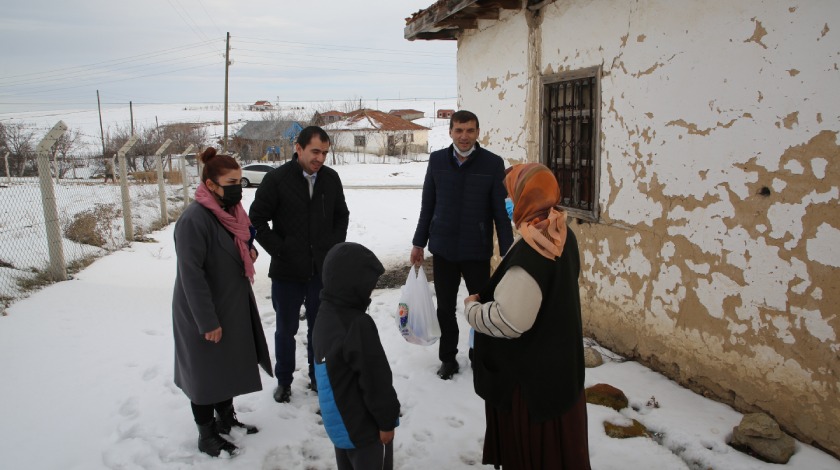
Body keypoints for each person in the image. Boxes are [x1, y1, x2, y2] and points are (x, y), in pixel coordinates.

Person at [463, 163, 591, 469]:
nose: (507, 201)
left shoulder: (535, 250)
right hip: (558, 368)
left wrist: (473, 311)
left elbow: (511, 320)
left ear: (526, 197)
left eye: (511, 194)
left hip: (533, 381)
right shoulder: (559, 232)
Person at [172, 147, 273, 458]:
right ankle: (206, 434)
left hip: (231, 303)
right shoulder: (194, 220)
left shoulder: (231, 213)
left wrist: (249, 252)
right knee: (205, 373)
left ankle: (226, 419)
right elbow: (192, 275)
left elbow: (238, 244)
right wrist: (208, 321)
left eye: (240, 181)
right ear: (211, 185)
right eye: (231, 182)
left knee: (226, 366)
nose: (237, 188)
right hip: (203, 309)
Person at [410, 110, 514, 380]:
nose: (464, 136)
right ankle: (448, 359)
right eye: (459, 130)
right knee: (444, 308)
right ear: (450, 132)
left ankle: (480, 354)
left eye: (469, 130)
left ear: (478, 132)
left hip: (476, 251)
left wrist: (508, 250)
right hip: (443, 249)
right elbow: (427, 205)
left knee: (481, 306)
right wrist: (419, 242)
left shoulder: (492, 164)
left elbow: (500, 212)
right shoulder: (437, 161)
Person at [249, 126, 350, 404]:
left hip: (320, 271)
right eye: (315, 151)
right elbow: (256, 219)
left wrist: (332, 247)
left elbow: (341, 215)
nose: (320, 158)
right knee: (286, 329)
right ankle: (284, 381)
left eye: (325, 153)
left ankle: (319, 377)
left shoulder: (330, 179)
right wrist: (280, 250)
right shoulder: (277, 179)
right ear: (299, 147)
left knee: (320, 329)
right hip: (287, 272)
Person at [313, 242, 401, 470]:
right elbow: (375, 379)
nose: (369, 292)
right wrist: (387, 421)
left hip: (340, 425)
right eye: (368, 286)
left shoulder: (324, 315)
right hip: (364, 431)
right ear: (354, 285)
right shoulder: (357, 325)